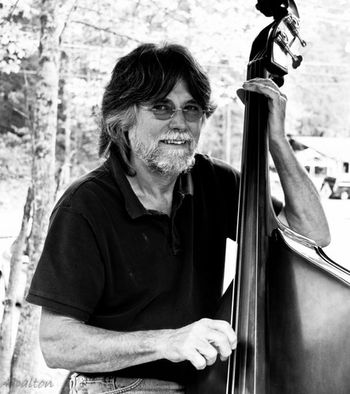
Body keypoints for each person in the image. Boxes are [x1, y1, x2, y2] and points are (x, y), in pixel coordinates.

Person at [26, 43, 330, 394]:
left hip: (202, 384)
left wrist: (275, 138)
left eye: (192, 109)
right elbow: (56, 344)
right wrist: (168, 342)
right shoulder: (85, 206)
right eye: (161, 108)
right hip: (117, 384)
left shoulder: (215, 182)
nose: (181, 124)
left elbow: (312, 233)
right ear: (123, 119)